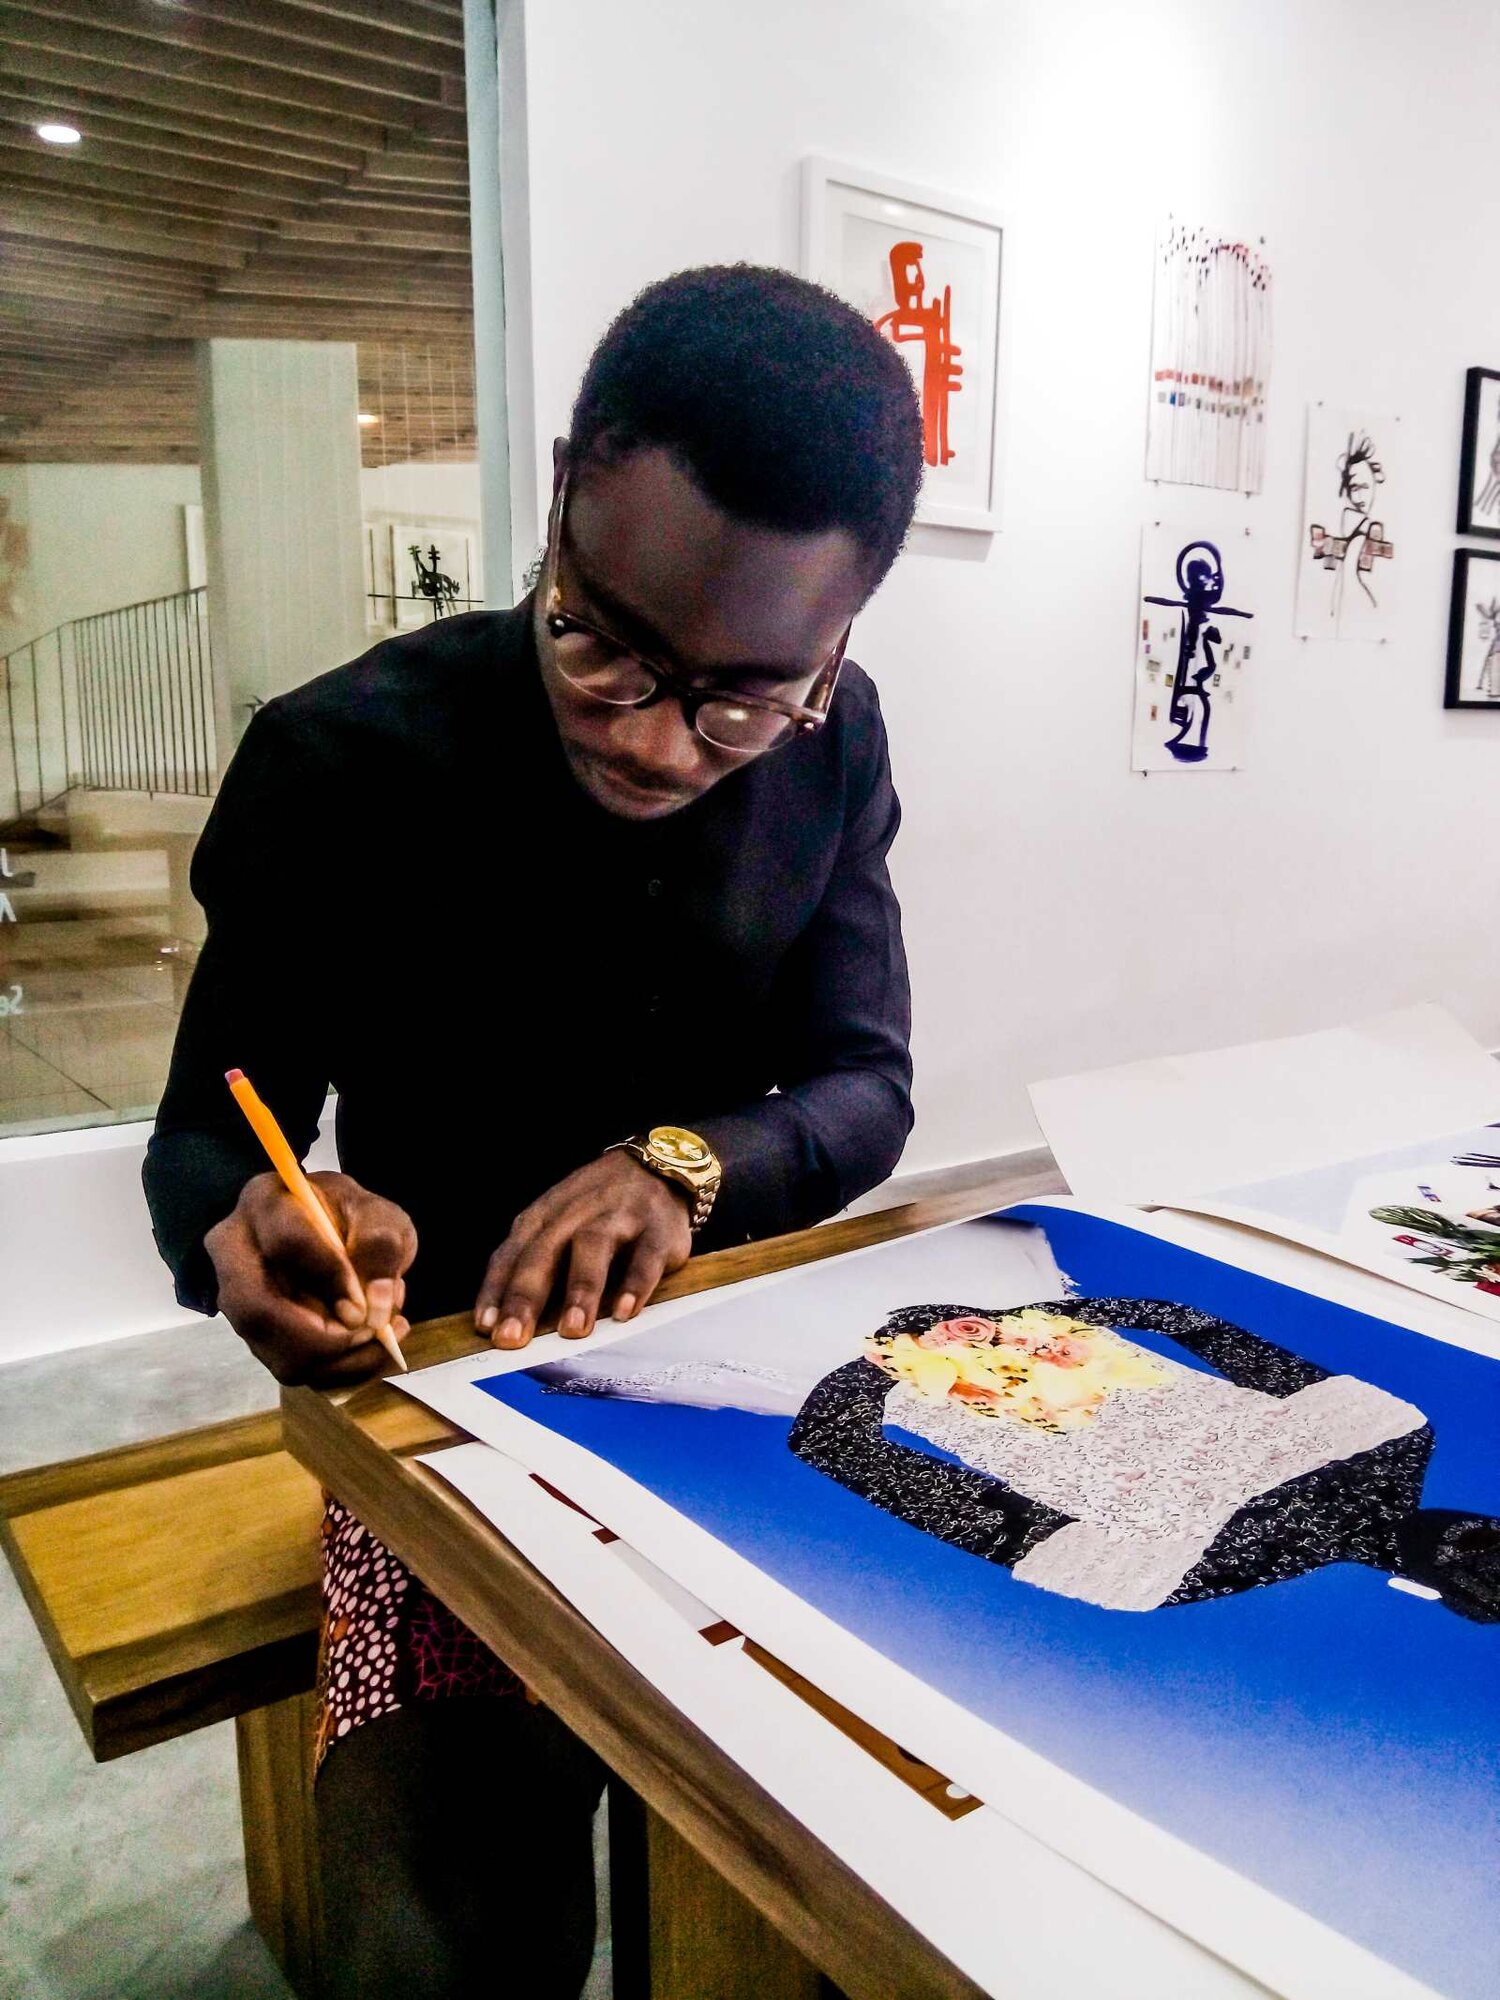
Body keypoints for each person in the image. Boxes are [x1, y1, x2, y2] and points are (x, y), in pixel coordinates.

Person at [142, 263, 924, 1998]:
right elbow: (206, 1130)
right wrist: (244, 1233)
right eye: (603, 642)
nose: (657, 739)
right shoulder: (343, 758)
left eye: (740, 695)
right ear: (565, 497)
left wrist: (681, 1166)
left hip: (744, 1370)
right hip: (448, 1404)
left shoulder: (833, 739)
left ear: (840, 640)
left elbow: (868, 1085)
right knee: (444, 1941)